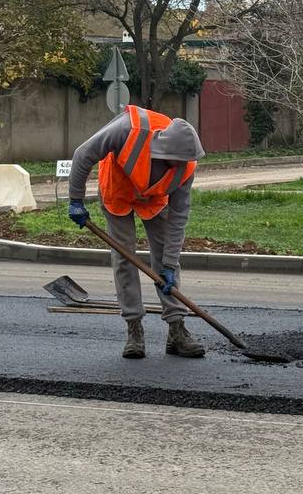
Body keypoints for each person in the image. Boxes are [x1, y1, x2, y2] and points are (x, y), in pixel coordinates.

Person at [67, 107, 207, 360]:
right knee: (124, 256)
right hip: (118, 189)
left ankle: (176, 329)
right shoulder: (125, 130)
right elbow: (82, 154)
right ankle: (134, 329)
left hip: (152, 198)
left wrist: (169, 263)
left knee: (166, 255)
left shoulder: (185, 167)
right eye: (175, 162)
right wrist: (76, 199)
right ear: (164, 152)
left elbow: (178, 219)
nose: (181, 166)